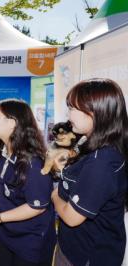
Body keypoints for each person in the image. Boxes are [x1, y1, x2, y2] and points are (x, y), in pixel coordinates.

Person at [51, 78, 128, 266]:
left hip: (87, 255)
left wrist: (55, 196)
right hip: (74, 246)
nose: (68, 116)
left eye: (72, 109)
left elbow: (71, 217)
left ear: (95, 111)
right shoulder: (90, 142)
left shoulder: (102, 162)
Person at [0, 99, 56, 266]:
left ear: (12, 123)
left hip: (29, 241)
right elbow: (3, 177)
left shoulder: (34, 163)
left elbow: (36, 206)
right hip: (5, 234)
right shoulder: (7, 150)